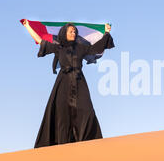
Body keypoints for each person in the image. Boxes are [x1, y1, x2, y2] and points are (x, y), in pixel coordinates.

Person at [22, 19, 115, 148]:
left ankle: (88, 143)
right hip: (63, 83)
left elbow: (95, 48)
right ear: (64, 33)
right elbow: (39, 41)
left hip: (79, 81)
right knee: (62, 114)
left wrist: (105, 33)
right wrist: (28, 26)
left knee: (87, 110)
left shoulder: (81, 48)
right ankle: (62, 146)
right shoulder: (58, 47)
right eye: (71, 31)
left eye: (75, 31)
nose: (73, 33)